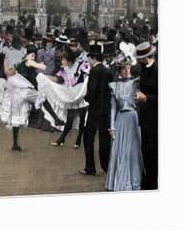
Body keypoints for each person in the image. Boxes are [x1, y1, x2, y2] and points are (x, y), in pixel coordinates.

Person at [105, 58, 144, 191]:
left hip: (133, 118)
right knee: (120, 149)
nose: (127, 71)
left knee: (133, 149)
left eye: (128, 68)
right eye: (123, 68)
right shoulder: (114, 86)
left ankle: (134, 181)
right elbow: (113, 108)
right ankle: (119, 181)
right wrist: (112, 126)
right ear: (119, 71)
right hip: (121, 119)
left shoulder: (135, 83)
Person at [0, 51, 46, 151]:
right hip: (24, 90)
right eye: (31, 55)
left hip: (18, 92)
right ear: (27, 55)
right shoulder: (28, 61)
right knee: (42, 97)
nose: (33, 57)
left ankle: (15, 143)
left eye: (34, 55)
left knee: (17, 116)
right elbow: (43, 68)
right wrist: (41, 65)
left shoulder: (19, 63)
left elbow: (8, 72)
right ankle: (53, 119)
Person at [80, 44, 112, 176]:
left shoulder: (94, 71)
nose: (88, 60)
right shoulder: (107, 70)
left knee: (88, 137)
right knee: (105, 139)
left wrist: (86, 98)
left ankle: (90, 167)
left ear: (93, 57)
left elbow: (91, 91)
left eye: (89, 58)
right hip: (106, 110)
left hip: (94, 110)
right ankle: (106, 167)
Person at [50, 50, 89, 148]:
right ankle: (62, 139)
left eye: (63, 59)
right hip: (71, 95)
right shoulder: (64, 69)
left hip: (81, 94)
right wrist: (46, 78)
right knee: (70, 117)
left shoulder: (80, 65)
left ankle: (79, 139)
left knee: (82, 117)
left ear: (69, 60)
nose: (62, 62)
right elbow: (58, 79)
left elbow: (88, 75)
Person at [135, 41, 158, 190]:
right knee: (145, 150)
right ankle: (147, 179)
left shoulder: (157, 69)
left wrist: (146, 98)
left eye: (140, 58)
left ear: (146, 57)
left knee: (153, 151)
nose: (138, 61)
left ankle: (152, 182)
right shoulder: (144, 68)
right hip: (145, 117)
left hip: (155, 118)